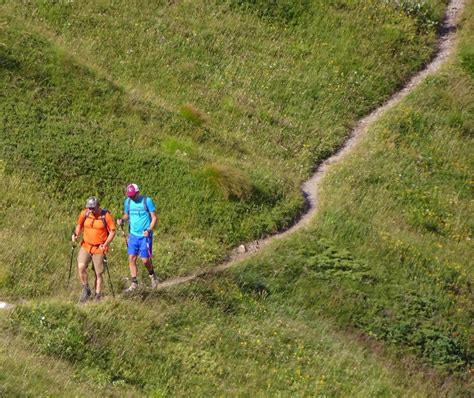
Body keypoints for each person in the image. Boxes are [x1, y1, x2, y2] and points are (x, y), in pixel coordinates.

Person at [72, 196, 116, 302]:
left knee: (98, 273)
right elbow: (79, 225)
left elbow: (113, 231)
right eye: (89, 208)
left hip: (99, 248)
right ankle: (86, 288)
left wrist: (105, 244)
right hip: (86, 245)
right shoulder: (85, 213)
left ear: (98, 206)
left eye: (93, 208)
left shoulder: (106, 215)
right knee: (81, 266)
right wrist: (76, 234)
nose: (91, 210)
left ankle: (97, 295)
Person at [117, 183, 158, 291]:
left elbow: (154, 217)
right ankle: (134, 283)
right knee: (131, 258)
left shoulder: (147, 201)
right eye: (129, 196)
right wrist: (122, 220)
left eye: (133, 196)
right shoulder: (128, 202)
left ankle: (152, 275)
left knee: (145, 260)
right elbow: (127, 215)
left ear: (138, 193)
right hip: (133, 235)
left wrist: (149, 229)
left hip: (145, 235)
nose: (132, 198)